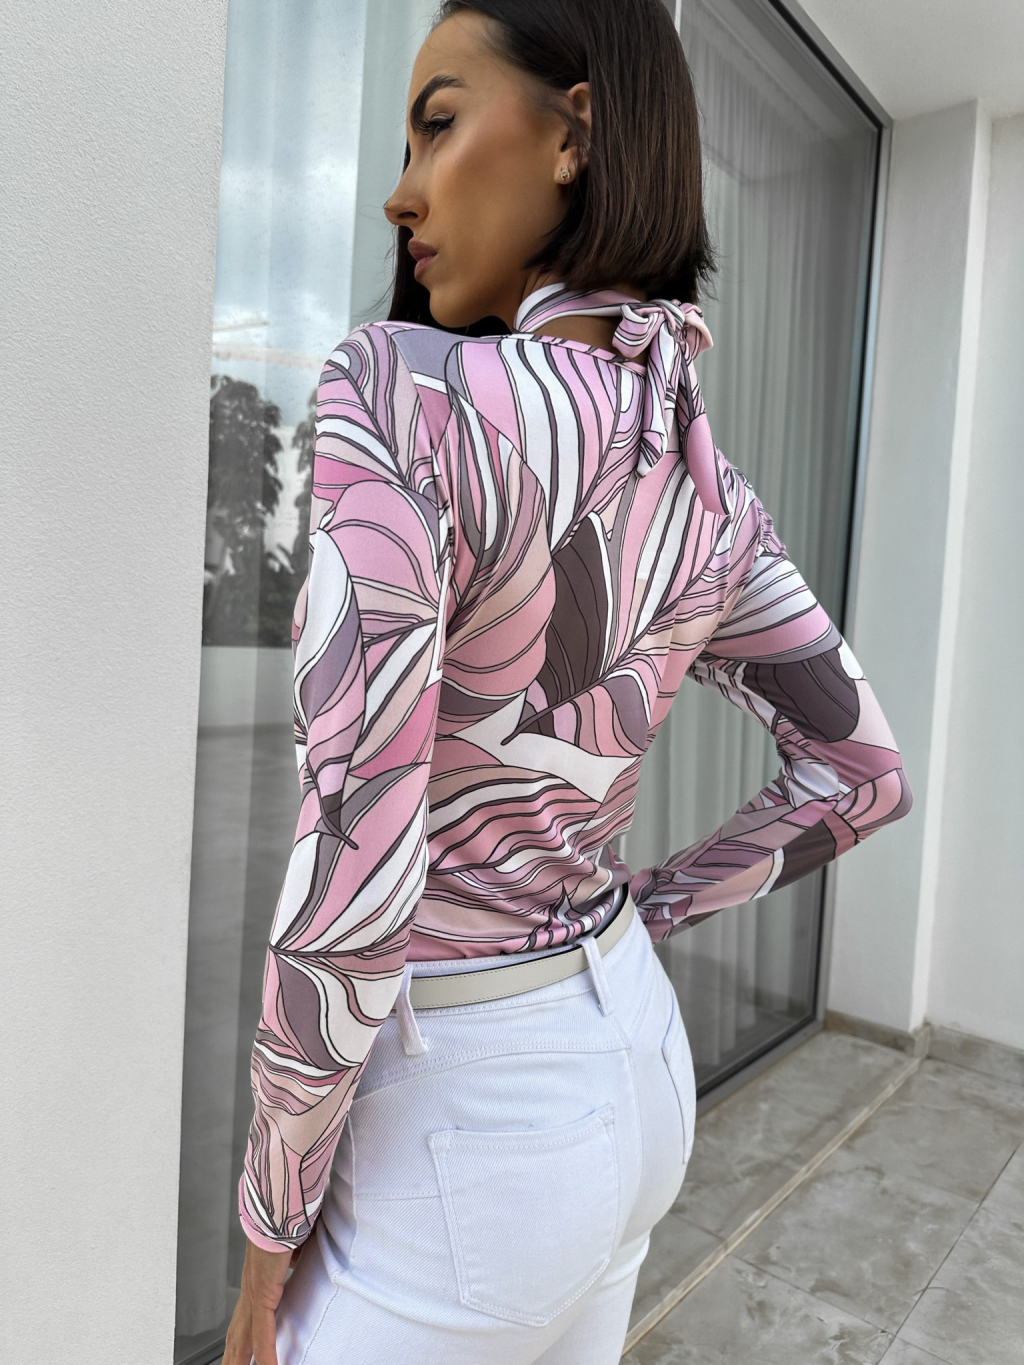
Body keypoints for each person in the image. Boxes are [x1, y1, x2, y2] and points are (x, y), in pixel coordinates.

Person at [223, 2, 912, 1361]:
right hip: (633, 1069)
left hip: (463, 1138)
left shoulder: (403, 394)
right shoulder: (703, 479)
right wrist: (648, 908)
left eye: (437, 123)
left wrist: (265, 1240)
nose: (400, 193)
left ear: (573, 134)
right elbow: (863, 775)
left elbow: (354, 875)